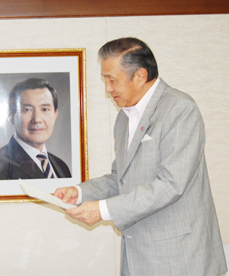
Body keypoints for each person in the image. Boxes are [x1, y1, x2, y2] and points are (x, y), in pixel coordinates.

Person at [54, 38, 227, 275]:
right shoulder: (124, 118)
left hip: (180, 258)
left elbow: (171, 185)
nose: (107, 88)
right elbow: (120, 179)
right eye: (105, 79)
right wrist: (81, 193)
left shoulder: (180, 109)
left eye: (111, 79)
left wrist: (104, 210)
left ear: (140, 75)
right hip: (138, 256)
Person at [0, 78, 71, 180]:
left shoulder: (62, 167)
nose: (37, 119)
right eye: (27, 110)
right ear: (11, 115)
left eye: (45, 109)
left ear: (55, 115)